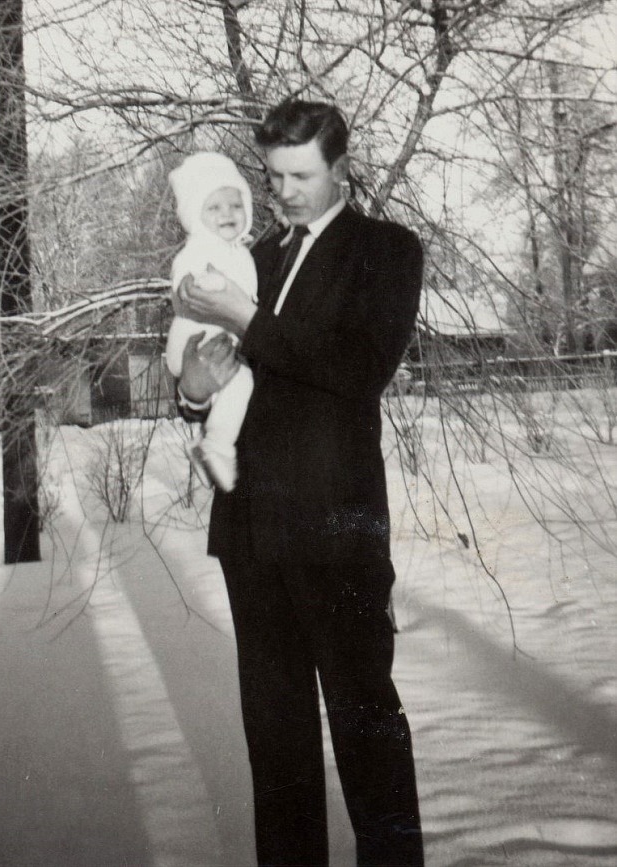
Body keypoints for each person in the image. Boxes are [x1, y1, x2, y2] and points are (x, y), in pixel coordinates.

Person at [175, 100, 424, 866]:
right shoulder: (254, 259)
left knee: (365, 727)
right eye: (274, 175)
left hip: (337, 535)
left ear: (341, 170)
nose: (282, 191)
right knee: (276, 742)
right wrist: (191, 383)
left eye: (300, 175)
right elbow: (211, 381)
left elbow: (356, 367)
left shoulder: (385, 249)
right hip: (254, 535)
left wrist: (244, 317)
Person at [166, 151, 258, 491]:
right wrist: (209, 284)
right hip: (199, 335)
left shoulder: (239, 250)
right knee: (242, 381)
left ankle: (216, 447)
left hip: (218, 339)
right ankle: (216, 444)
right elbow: (185, 284)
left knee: (240, 384)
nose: (228, 214)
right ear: (195, 216)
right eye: (214, 208)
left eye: (236, 205)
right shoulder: (201, 249)